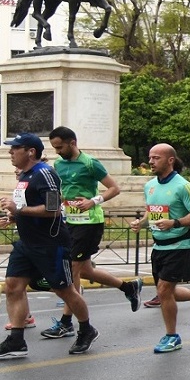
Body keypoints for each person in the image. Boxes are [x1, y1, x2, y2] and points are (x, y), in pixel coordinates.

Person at [0, 133, 99, 358]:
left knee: (64, 290)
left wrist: (18, 210)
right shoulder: (25, 175)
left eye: (15, 149)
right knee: (13, 286)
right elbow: (29, 206)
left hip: (50, 245)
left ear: (30, 151)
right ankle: (16, 340)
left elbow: (53, 209)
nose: (10, 153)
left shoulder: (45, 174)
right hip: (27, 244)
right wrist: (14, 217)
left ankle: (86, 329)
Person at [40, 126, 142, 342]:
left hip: (89, 223)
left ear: (72, 143)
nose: (57, 151)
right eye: (54, 148)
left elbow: (114, 188)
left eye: (59, 147)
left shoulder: (89, 163)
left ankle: (67, 323)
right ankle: (129, 287)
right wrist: (53, 211)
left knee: (73, 269)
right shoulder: (58, 164)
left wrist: (93, 201)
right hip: (69, 222)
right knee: (85, 271)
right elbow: (58, 191)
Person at [129, 144, 190, 353]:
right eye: (150, 157)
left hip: (180, 245)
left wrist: (175, 223)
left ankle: (172, 336)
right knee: (168, 293)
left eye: (156, 158)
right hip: (159, 246)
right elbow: (153, 212)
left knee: (164, 291)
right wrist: (141, 223)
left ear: (170, 160)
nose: (150, 161)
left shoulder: (183, 186)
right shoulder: (150, 185)